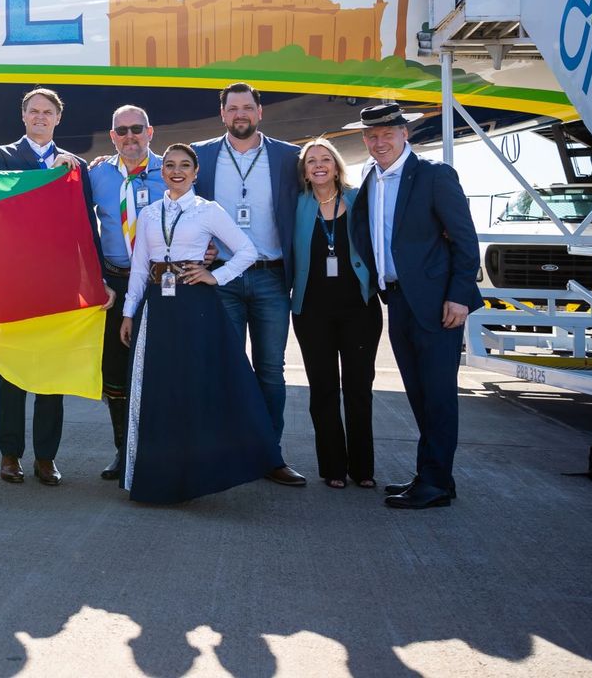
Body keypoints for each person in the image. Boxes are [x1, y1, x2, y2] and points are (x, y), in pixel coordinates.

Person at [118, 143, 279, 504]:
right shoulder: (148, 214)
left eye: (184, 165)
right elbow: (140, 268)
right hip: (157, 305)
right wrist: (129, 312)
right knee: (157, 389)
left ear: (195, 172)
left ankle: (194, 474)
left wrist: (215, 277)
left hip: (195, 305)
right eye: (170, 165)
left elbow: (247, 250)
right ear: (163, 172)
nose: (176, 171)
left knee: (192, 388)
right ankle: (154, 474)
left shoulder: (208, 211)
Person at [347, 103, 483, 510]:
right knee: (419, 394)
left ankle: (435, 482)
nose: (379, 141)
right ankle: (436, 475)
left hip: (439, 303)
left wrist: (459, 296)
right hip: (399, 299)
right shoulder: (371, 179)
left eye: (388, 133)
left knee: (438, 395)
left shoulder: (434, 176)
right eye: (371, 135)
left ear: (405, 134)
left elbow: (465, 239)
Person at [190, 82, 307, 486]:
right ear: (222, 114)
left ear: (260, 111)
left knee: (271, 371)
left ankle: (269, 455)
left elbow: (327, 189)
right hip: (220, 277)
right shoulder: (201, 155)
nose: (240, 114)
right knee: (223, 368)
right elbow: (167, 183)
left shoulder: (289, 157)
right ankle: (223, 453)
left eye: (247, 107)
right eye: (232, 108)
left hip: (271, 278)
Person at [0, 87, 85, 486]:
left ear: (58, 119)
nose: (41, 117)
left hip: (58, 286)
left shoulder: (76, 165)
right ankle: (10, 455)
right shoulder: (2, 155)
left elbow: (83, 227)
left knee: (52, 375)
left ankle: (47, 457)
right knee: (13, 373)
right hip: (14, 283)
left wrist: (91, 280)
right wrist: (53, 174)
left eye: (48, 112)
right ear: (23, 117)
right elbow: (9, 199)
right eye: (34, 112)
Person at [289, 138, 380, 490]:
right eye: (311, 161)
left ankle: (363, 468)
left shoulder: (360, 200)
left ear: (337, 164)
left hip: (359, 309)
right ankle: (333, 468)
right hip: (312, 312)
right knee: (323, 390)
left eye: (325, 158)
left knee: (359, 389)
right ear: (305, 171)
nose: (319, 165)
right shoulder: (297, 205)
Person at [86, 104, 166, 480]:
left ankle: (159, 449)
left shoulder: (173, 169)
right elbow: (79, 227)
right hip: (115, 283)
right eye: (122, 131)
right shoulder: (96, 174)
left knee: (158, 369)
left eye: (138, 129)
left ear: (150, 132)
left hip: (159, 284)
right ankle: (124, 450)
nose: (130, 136)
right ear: (112, 136)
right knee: (115, 373)